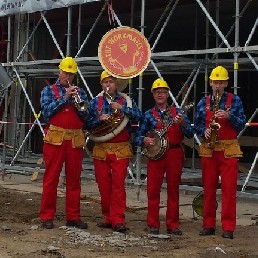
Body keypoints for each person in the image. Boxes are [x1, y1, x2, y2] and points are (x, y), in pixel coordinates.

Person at [134, 78, 194, 235]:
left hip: (174, 153)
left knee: (173, 190)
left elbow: (190, 133)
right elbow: (137, 136)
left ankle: (173, 225)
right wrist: (145, 139)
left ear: (168, 94)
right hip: (155, 156)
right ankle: (153, 224)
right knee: (153, 190)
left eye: (163, 92)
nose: (160, 95)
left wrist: (182, 124)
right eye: (157, 92)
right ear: (153, 95)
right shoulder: (147, 115)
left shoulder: (178, 113)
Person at [86, 71, 142, 233]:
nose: (108, 85)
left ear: (116, 84)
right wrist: (98, 119)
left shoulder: (125, 100)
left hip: (120, 148)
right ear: (101, 85)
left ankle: (118, 219)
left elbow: (139, 116)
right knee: (103, 185)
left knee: (118, 186)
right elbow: (87, 123)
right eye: (105, 82)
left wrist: (122, 108)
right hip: (101, 148)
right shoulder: (95, 102)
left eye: (111, 81)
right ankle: (107, 217)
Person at [194, 65, 246, 239]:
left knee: (229, 189)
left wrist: (229, 116)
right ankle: (208, 225)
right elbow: (198, 124)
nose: (217, 85)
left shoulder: (235, 100)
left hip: (228, 149)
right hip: (209, 149)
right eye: (215, 82)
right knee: (208, 189)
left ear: (226, 84)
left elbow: (241, 124)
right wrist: (204, 131)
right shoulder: (203, 102)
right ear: (210, 83)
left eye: (220, 82)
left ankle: (228, 227)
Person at [40, 57, 89, 229]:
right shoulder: (48, 90)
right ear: (59, 72)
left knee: (74, 180)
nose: (67, 76)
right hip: (55, 139)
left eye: (71, 74)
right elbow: (46, 112)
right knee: (51, 178)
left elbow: (86, 116)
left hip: (75, 139)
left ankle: (73, 217)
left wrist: (79, 106)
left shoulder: (80, 92)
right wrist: (64, 97)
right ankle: (47, 216)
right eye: (65, 72)